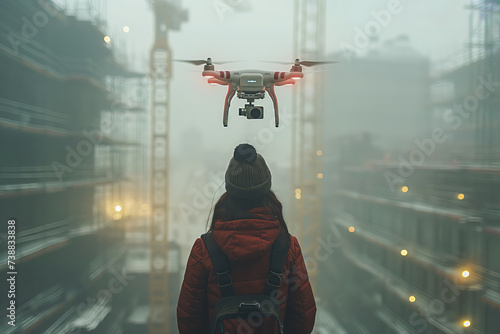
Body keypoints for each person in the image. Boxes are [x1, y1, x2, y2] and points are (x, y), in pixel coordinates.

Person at [177, 143, 316, 333]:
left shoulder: (204, 249)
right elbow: (303, 316)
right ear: (267, 190)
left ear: (229, 190)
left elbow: (189, 318)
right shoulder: (288, 247)